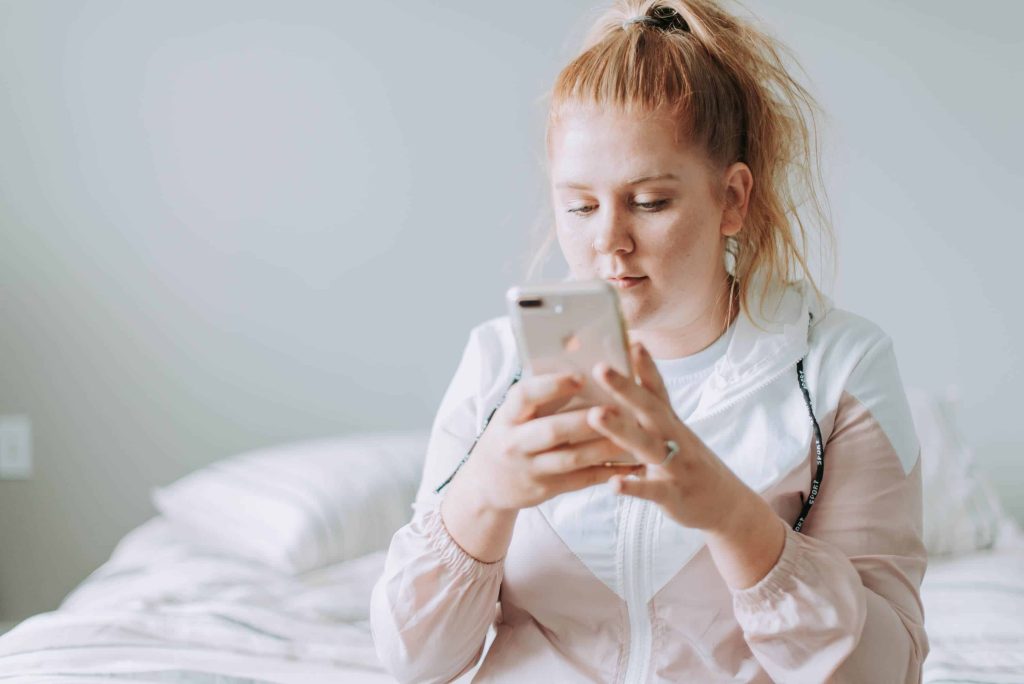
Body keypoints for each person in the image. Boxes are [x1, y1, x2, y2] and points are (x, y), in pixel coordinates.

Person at [370, 1, 928, 681]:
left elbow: (885, 670)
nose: (608, 240)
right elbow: (411, 663)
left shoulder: (841, 369)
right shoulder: (498, 365)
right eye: (579, 206)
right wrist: (484, 493)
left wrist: (730, 515)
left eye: (649, 202)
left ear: (733, 198)